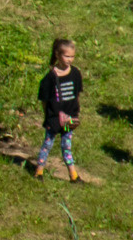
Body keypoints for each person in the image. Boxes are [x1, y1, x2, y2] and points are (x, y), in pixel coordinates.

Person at [31, 37, 97, 183]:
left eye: (72, 56)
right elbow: (44, 101)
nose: (70, 60)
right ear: (57, 55)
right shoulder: (49, 79)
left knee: (66, 146)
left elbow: (76, 95)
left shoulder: (75, 74)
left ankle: (73, 176)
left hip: (69, 118)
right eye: (67, 56)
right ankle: (38, 172)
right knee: (47, 144)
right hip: (54, 119)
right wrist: (48, 116)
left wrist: (74, 114)